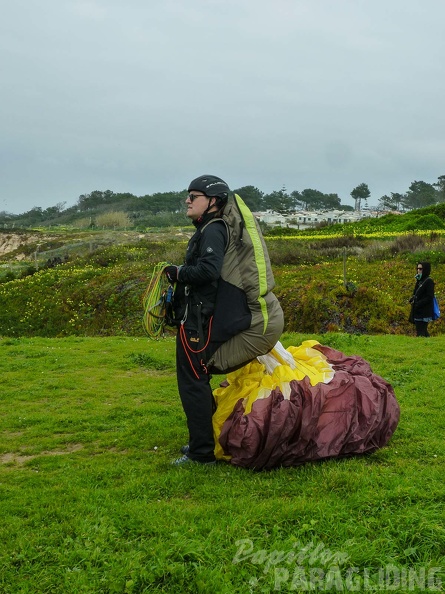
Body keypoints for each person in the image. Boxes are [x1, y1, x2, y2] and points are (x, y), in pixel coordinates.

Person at [164, 174, 283, 466]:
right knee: (197, 378)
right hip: (201, 318)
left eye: (194, 196)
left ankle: (201, 452)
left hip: (200, 322)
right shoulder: (212, 227)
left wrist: (176, 272)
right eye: (188, 196)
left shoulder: (214, 229)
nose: (187, 201)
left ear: (213, 201)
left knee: (193, 381)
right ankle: (203, 441)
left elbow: (208, 271)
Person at [409, 261, 435, 337]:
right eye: (417, 268)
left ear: (425, 269)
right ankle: (428, 345)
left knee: (420, 332)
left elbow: (429, 297)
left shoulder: (429, 281)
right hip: (418, 310)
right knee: (423, 332)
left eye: (420, 269)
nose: (418, 270)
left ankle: (422, 346)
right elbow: (416, 293)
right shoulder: (419, 280)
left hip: (424, 311)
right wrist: (412, 299)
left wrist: (419, 303)